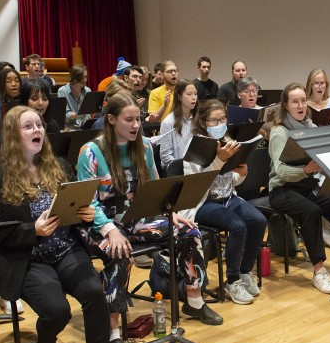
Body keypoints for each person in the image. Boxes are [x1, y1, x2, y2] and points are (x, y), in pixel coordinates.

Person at [0, 106, 127, 343]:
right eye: (29, 126)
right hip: (27, 258)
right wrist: (32, 229)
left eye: (40, 125)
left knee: (95, 293)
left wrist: (83, 214)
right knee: (58, 311)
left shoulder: (58, 165)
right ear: (12, 135)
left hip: (65, 247)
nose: (38, 131)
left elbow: (73, 206)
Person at [76, 93, 223, 326]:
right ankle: (112, 329)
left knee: (189, 231)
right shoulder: (91, 151)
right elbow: (89, 202)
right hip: (101, 226)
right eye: (129, 120)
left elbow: (155, 187)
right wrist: (111, 231)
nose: (136, 125)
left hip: (135, 220)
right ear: (112, 120)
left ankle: (194, 302)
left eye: (138, 119)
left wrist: (170, 214)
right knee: (119, 252)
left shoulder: (144, 146)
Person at [268, 83, 330, 294]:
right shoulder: (279, 132)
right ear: (286, 105)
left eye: (303, 100)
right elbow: (280, 171)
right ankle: (319, 271)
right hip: (282, 190)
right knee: (311, 211)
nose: (301, 105)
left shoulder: (311, 128)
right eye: (295, 101)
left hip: (307, 188)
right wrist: (306, 170)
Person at [182, 100, 266, 304]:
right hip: (204, 203)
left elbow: (232, 179)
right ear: (203, 122)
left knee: (258, 220)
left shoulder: (229, 140)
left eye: (222, 119)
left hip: (228, 197)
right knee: (237, 226)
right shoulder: (196, 146)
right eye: (214, 120)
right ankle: (233, 280)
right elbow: (197, 185)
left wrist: (242, 173)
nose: (219, 123)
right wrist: (219, 160)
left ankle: (245, 271)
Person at [158, 79, 197, 169]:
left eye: (195, 93)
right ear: (179, 97)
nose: (194, 97)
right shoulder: (168, 122)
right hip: (177, 170)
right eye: (189, 94)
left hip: (196, 168)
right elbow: (165, 156)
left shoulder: (199, 119)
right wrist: (184, 167)